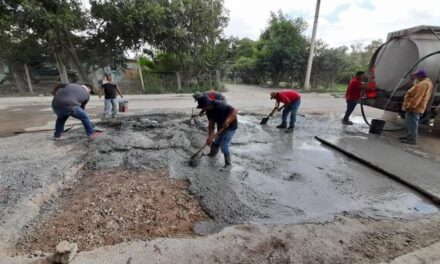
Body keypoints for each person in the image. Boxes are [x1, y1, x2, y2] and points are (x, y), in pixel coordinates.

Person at [196, 95, 238, 169]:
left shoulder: (221, 105)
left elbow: (235, 111)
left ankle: (228, 164)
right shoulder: (208, 111)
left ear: (207, 105)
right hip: (220, 126)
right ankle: (212, 154)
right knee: (216, 142)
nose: (203, 109)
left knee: (224, 145)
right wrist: (210, 137)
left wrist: (228, 120)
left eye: (203, 107)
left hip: (230, 127)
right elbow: (211, 124)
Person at [399, 69, 433, 145]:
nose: (415, 77)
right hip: (417, 107)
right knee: (409, 123)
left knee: (412, 124)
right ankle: (409, 136)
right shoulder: (427, 82)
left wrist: (411, 106)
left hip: (415, 108)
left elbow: (418, 96)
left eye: (417, 76)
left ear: (420, 76)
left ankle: (412, 140)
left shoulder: (423, 84)